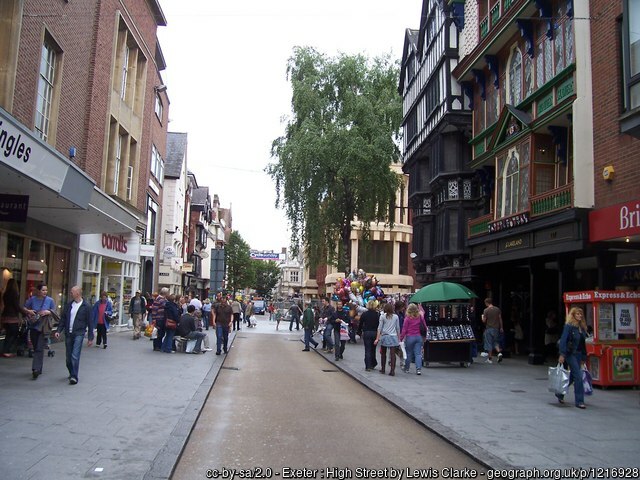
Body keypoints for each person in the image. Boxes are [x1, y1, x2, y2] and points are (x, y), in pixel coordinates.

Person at [55, 286, 93, 385]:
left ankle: (74, 376)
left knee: (75, 355)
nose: (70, 293)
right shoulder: (69, 305)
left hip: (79, 333)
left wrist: (90, 337)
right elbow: (63, 319)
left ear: (78, 293)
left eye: (72, 292)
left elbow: (90, 322)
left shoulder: (86, 306)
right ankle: (71, 371)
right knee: (68, 358)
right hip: (69, 333)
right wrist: (59, 330)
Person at [556, 307, 588, 409]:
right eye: (577, 314)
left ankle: (560, 393)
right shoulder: (569, 326)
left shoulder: (581, 328)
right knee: (578, 376)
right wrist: (562, 354)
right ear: (573, 315)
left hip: (578, 354)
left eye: (580, 314)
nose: (579, 316)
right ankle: (579, 401)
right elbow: (563, 340)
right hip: (570, 354)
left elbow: (583, 344)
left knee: (573, 376)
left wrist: (584, 356)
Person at [25, 283, 57, 379]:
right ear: (38, 291)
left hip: (44, 327)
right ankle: (39, 367)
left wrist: (48, 312)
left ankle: (35, 369)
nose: (45, 292)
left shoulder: (50, 300)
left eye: (46, 290)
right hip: (34, 326)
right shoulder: (32, 299)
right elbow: (24, 307)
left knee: (39, 348)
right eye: (43, 290)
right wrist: (29, 311)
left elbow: (54, 312)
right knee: (36, 347)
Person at [1, 278, 33, 358]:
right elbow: (16, 306)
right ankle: (6, 351)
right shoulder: (14, 293)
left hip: (5, 315)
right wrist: (25, 313)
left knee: (8, 334)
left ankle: (5, 350)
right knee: (14, 333)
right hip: (12, 317)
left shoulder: (5, 293)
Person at [400, 303, 427, 375]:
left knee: (409, 353)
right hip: (418, 337)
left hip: (410, 337)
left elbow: (404, 330)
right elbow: (425, 327)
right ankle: (418, 369)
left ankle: (407, 368)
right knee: (418, 354)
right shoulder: (420, 317)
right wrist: (425, 336)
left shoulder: (407, 318)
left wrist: (401, 338)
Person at [374, 302, 400, 376]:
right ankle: (392, 370)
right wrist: (399, 338)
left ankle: (383, 369)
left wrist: (377, 338)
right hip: (393, 336)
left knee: (383, 353)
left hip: (385, 336)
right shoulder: (396, 317)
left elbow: (379, 328)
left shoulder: (382, 316)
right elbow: (398, 328)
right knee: (392, 354)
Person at [358, 300, 379, 371]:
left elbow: (360, 323)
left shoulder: (364, 314)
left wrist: (359, 331)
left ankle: (368, 365)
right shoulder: (377, 314)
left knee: (367, 349)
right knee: (373, 349)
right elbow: (379, 325)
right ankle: (373, 363)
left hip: (366, 332)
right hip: (374, 332)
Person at [481, 298, 503, 364]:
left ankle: (490, 358)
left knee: (489, 343)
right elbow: (500, 319)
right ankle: (499, 353)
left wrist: (482, 317)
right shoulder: (497, 309)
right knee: (496, 342)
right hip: (496, 328)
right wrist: (501, 327)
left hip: (489, 329)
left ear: (486, 303)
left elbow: (484, 321)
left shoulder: (486, 310)